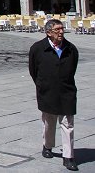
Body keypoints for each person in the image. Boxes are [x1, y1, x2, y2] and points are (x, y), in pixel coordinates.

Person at [29, 19, 79, 171]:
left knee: (67, 124)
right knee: (49, 123)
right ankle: (47, 146)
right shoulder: (38, 49)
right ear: (48, 32)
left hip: (66, 91)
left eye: (62, 29)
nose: (61, 32)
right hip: (47, 91)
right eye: (57, 30)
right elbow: (33, 70)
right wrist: (42, 84)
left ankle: (68, 157)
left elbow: (73, 68)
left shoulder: (71, 49)